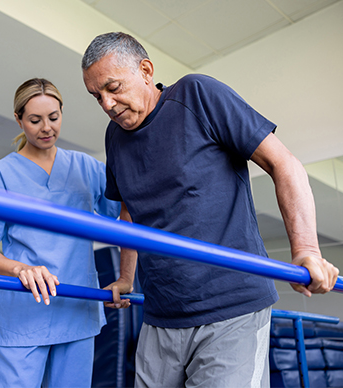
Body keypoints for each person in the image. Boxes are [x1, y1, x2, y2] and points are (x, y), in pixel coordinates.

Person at [81, 32, 339, 387]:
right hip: (161, 315)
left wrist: (307, 251)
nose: (107, 104)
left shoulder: (196, 95)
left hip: (231, 309)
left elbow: (285, 164)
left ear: (145, 70)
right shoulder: (115, 137)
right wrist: (127, 278)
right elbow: (129, 210)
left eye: (113, 87)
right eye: (97, 96)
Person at [0, 78, 120, 388]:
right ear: (19, 119)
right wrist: (20, 268)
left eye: (54, 117)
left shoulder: (86, 167)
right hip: (24, 315)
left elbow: (125, 212)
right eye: (35, 120)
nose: (46, 128)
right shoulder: (2, 174)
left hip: (77, 309)